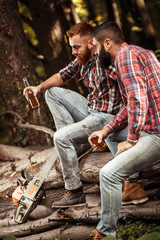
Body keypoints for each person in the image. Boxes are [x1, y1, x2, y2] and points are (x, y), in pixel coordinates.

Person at [23, 22, 122, 208]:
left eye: (77, 47)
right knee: (51, 92)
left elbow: (129, 87)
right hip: (91, 111)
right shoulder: (82, 61)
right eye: (72, 47)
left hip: (106, 118)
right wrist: (38, 87)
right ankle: (73, 148)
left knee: (60, 137)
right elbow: (62, 76)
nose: (74, 51)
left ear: (92, 43)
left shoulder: (107, 60)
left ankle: (75, 192)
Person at [89, 21, 160, 239]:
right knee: (110, 134)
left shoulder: (125, 58)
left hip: (156, 134)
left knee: (108, 174)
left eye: (96, 46)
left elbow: (138, 100)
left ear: (107, 43)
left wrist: (131, 139)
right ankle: (133, 184)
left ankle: (106, 233)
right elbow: (131, 104)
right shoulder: (140, 53)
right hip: (150, 128)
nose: (94, 51)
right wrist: (106, 130)